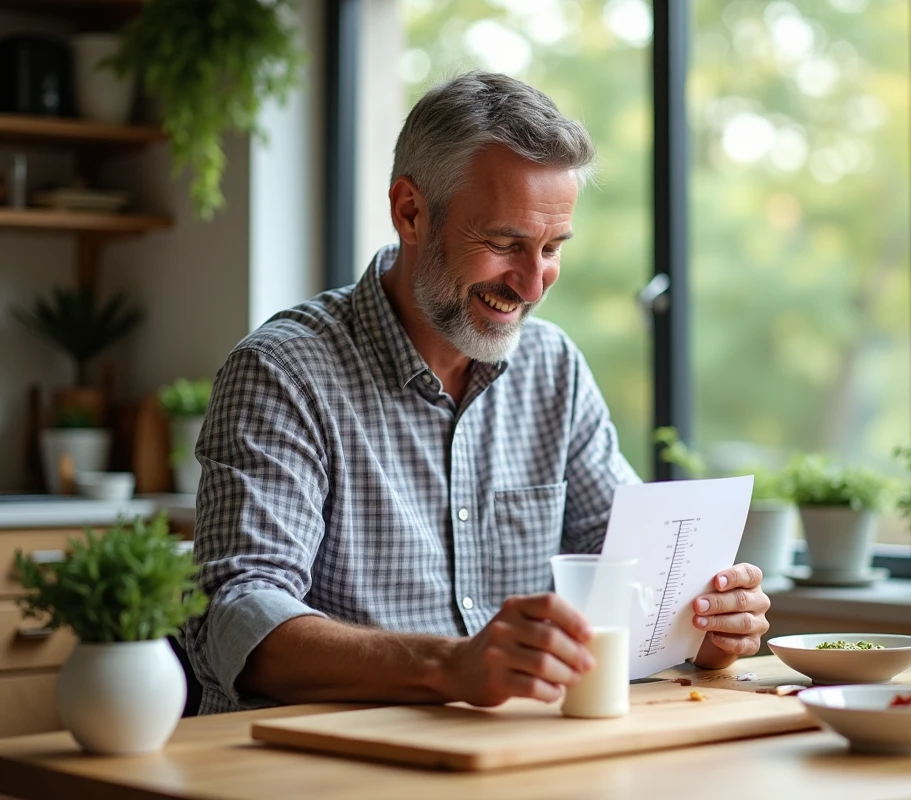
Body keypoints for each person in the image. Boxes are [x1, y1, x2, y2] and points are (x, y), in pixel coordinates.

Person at [183, 72, 770, 715]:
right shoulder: (282, 373)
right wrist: (450, 666)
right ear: (410, 211)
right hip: (325, 764)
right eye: (504, 244)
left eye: (551, 248)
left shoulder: (555, 370)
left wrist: (701, 624)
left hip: (507, 756)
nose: (533, 284)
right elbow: (237, 620)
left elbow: (628, 576)